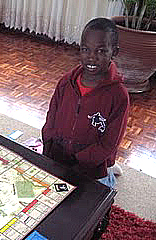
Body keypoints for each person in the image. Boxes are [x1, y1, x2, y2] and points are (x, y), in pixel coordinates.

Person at [42, 17, 130, 188]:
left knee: (94, 206)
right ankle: (111, 166)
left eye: (101, 51)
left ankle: (110, 168)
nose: (91, 57)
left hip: (91, 168)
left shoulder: (119, 96)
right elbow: (51, 118)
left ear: (114, 52)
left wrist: (79, 163)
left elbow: (109, 144)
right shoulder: (66, 82)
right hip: (58, 157)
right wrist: (48, 149)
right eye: (85, 49)